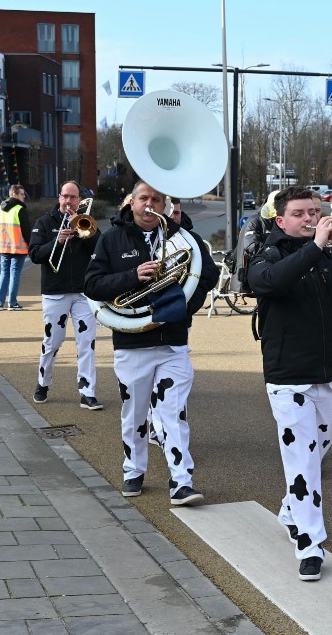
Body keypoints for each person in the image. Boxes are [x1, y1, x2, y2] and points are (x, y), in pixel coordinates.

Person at [249, 186, 332, 581]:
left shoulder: (327, 257)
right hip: (288, 376)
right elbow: (272, 283)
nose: (310, 219)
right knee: (303, 458)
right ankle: (309, 543)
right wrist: (316, 247)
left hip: (329, 373)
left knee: (320, 446)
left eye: (315, 212)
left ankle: (291, 506)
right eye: (301, 213)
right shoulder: (265, 255)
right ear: (281, 220)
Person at [84, 180, 218, 506]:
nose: (149, 204)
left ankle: (181, 481)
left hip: (173, 342)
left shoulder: (180, 237)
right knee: (135, 414)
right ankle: (133, 470)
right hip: (132, 344)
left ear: (164, 205)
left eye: (156, 199)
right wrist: (133, 276)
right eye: (144, 198)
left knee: (173, 413)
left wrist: (184, 305)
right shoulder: (112, 239)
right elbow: (92, 284)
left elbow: (209, 274)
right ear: (131, 202)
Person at [27, 182, 102, 409]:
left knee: (86, 343)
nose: (68, 201)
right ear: (59, 197)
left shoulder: (84, 221)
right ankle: (43, 383)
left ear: (79, 200)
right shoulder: (44, 222)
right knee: (52, 341)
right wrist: (56, 241)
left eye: (73, 197)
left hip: (82, 292)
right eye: (65, 196)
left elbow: (100, 249)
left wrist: (83, 233)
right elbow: (34, 255)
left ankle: (87, 391)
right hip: (55, 292)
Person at [0, 184, 30, 311]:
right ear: (14, 194)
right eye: (22, 194)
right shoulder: (19, 209)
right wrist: (31, 245)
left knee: (4, 273)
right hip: (18, 247)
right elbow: (26, 231)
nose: (24, 196)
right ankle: (12, 303)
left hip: (3, 247)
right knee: (15, 274)